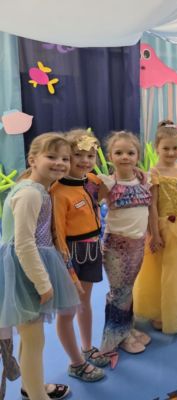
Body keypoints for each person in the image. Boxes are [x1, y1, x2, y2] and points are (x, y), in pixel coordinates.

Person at [0, 133, 81, 400]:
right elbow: (23, 244)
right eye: (51, 156)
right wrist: (42, 283)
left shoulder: (37, 189)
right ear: (32, 159)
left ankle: (30, 387)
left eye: (65, 158)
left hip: (30, 266)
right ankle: (37, 395)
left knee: (31, 338)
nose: (60, 163)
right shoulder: (30, 194)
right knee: (34, 340)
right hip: (25, 272)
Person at [133, 120, 177, 334]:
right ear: (157, 148)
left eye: (175, 148)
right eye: (166, 148)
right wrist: (154, 234)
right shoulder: (154, 173)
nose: (171, 152)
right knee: (166, 272)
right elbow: (152, 206)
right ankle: (164, 312)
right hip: (164, 229)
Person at [50, 129, 107, 382]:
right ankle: (75, 363)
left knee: (85, 303)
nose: (85, 160)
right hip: (71, 254)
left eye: (90, 155)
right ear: (67, 156)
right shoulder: (58, 191)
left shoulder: (92, 180)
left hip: (92, 249)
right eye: (78, 155)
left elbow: (110, 188)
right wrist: (67, 267)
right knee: (68, 311)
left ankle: (87, 347)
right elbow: (58, 234)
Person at [98, 131, 152, 356]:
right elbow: (89, 204)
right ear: (110, 156)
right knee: (119, 292)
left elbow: (149, 209)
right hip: (116, 246)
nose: (125, 157)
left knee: (127, 290)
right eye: (118, 152)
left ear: (137, 155)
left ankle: (126, 329)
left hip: (138, 244)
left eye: (130, 152)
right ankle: (115, 338)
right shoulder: (108, 183)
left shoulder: (143, 179)